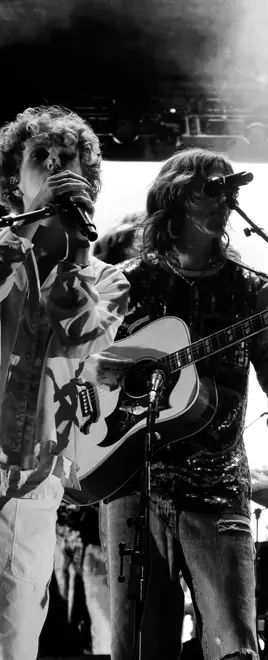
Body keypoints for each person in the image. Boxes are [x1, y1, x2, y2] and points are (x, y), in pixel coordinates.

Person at [99, 147, 268, 660]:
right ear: (174, 196)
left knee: (234, 648)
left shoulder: (252, 290)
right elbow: (89, 370)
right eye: (210, 187)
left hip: (219, 482)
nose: (225, 200)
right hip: (134, 477)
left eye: (231, 189)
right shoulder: (126, 284)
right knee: (136, 648)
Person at [0, 105, 130, 660]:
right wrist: (28, 226)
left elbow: (83, 341)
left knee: (15, 637)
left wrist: (76, 247)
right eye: (39, 158)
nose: (54, 166)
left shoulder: (107, 279)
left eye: (67, 159)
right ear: (14, 178)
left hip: (31, 481)